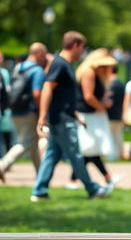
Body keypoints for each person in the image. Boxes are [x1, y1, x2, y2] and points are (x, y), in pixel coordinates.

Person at [31, 31, 113, 201]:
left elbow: (64, 98)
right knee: (75, 155)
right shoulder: (60, 64)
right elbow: (47, 88)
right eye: (82, 47)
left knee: (51, 156)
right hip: (61, 120)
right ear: (75, 45)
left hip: (65, 117)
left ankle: (39, 191)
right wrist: (42, 117)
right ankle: (93, 189)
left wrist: (76, 115)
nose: (82, 52)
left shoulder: (65, 65)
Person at [67, 48, 120, 189]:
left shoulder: (96, 74)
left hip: (93, 115)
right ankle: (100, 179)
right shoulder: (88, 72)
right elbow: (88, 97)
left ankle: (78, 179)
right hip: (88, 115)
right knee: (89, 150)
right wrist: (102, 106)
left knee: (91, 150)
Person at [0, 43, 48, 181]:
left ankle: (40, 177)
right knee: (26, 143)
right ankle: (4, 163)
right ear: (39, 53)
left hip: (15, 110)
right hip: (29, 111)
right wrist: (42, 111)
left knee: (33, 142)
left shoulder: (18, 68)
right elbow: (36, 93)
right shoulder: (37, 71)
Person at [106, 64, 125, 162]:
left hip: (109, 114)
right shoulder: (121, 84)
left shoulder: (109, 83)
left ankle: (112, 156)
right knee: (118, 136)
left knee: (110, 136)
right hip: (118, 113)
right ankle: (120, 155)